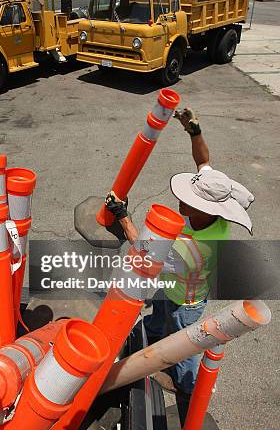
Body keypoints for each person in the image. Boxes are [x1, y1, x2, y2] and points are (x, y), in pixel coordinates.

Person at [105, 108, 255, 396]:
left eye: (187, 201)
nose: (179, 201)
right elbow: (204, 162)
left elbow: (145, 251)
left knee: (184, 344)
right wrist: (194, 130)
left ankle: (188, 387)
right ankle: (150, 339)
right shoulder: (213, 198)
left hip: (185, 300)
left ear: (205, 209)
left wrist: (121, 214)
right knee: (159, 317)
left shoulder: (195, 249)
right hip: (170, 286)